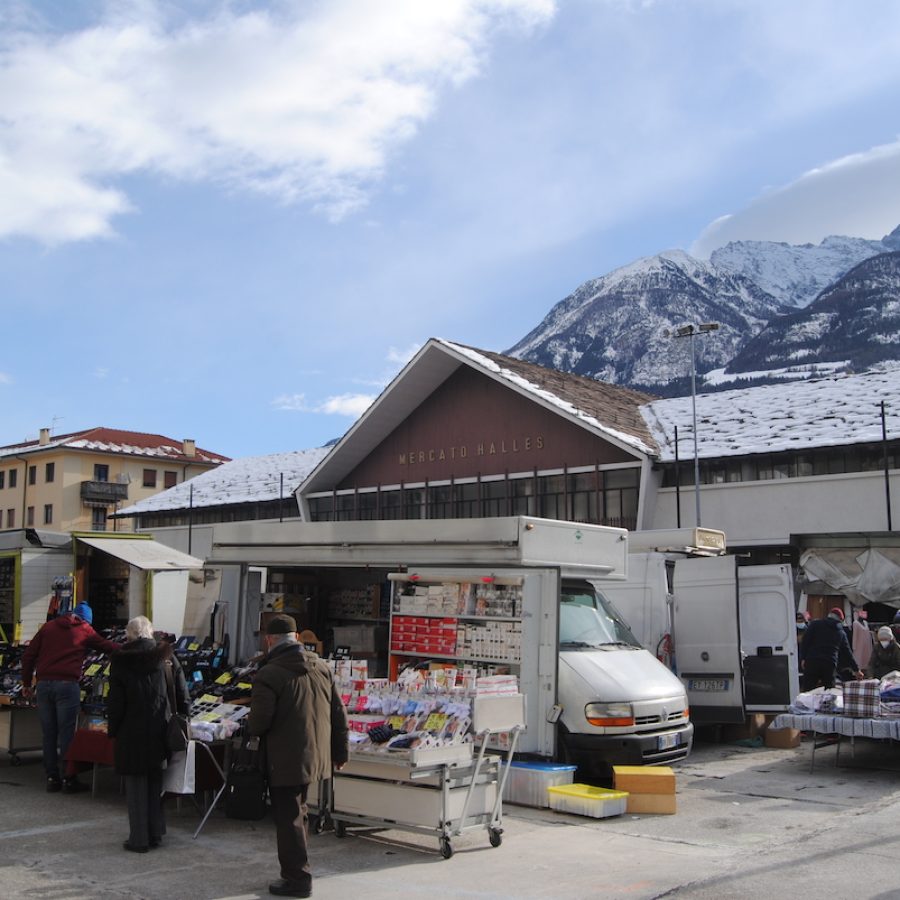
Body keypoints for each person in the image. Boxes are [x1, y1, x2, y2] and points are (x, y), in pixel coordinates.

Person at [248, 614, 349, 899]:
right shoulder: (321, 667)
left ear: (270, 640)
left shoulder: (269, 674)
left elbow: (259, 723)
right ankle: (297, 872)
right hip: (316, 754)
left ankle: (297, 879)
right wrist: (340, 752)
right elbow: (339, 714)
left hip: (285, 757)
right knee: (300, 812)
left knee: (290, 817)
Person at [107, 615, 190, 853]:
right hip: (161, 730)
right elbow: (182, 694)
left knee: (135, 786)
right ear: (151, 633)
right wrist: (184, 720)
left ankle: (139, 839)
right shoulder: (167, 658)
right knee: (156, 784)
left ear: (129, 635)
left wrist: (113, 729)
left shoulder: (121, 662)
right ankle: (155, 833)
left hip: (130, 732)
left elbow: (116, 702)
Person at [20, 601, 121, 793]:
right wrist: (139, 648)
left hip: (43, 685)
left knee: (49, 734)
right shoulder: (84, 630)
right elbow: (108, 647)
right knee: (67, 733)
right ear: (86, 620)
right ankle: (69, 778)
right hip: (67, 686)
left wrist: (26, 684)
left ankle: (52, 778)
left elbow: (28, 656)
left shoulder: (48, 628)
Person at [800, 606, 864, 691]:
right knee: (829, 693)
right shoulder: (841, 632)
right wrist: (856, 670)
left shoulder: (815, 624)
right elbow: (847, 653)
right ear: (840, 620)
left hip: (812, 661)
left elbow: (805, 641)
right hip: (829, 664)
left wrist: (803, 658)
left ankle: (806, 703)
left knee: (808, 691)